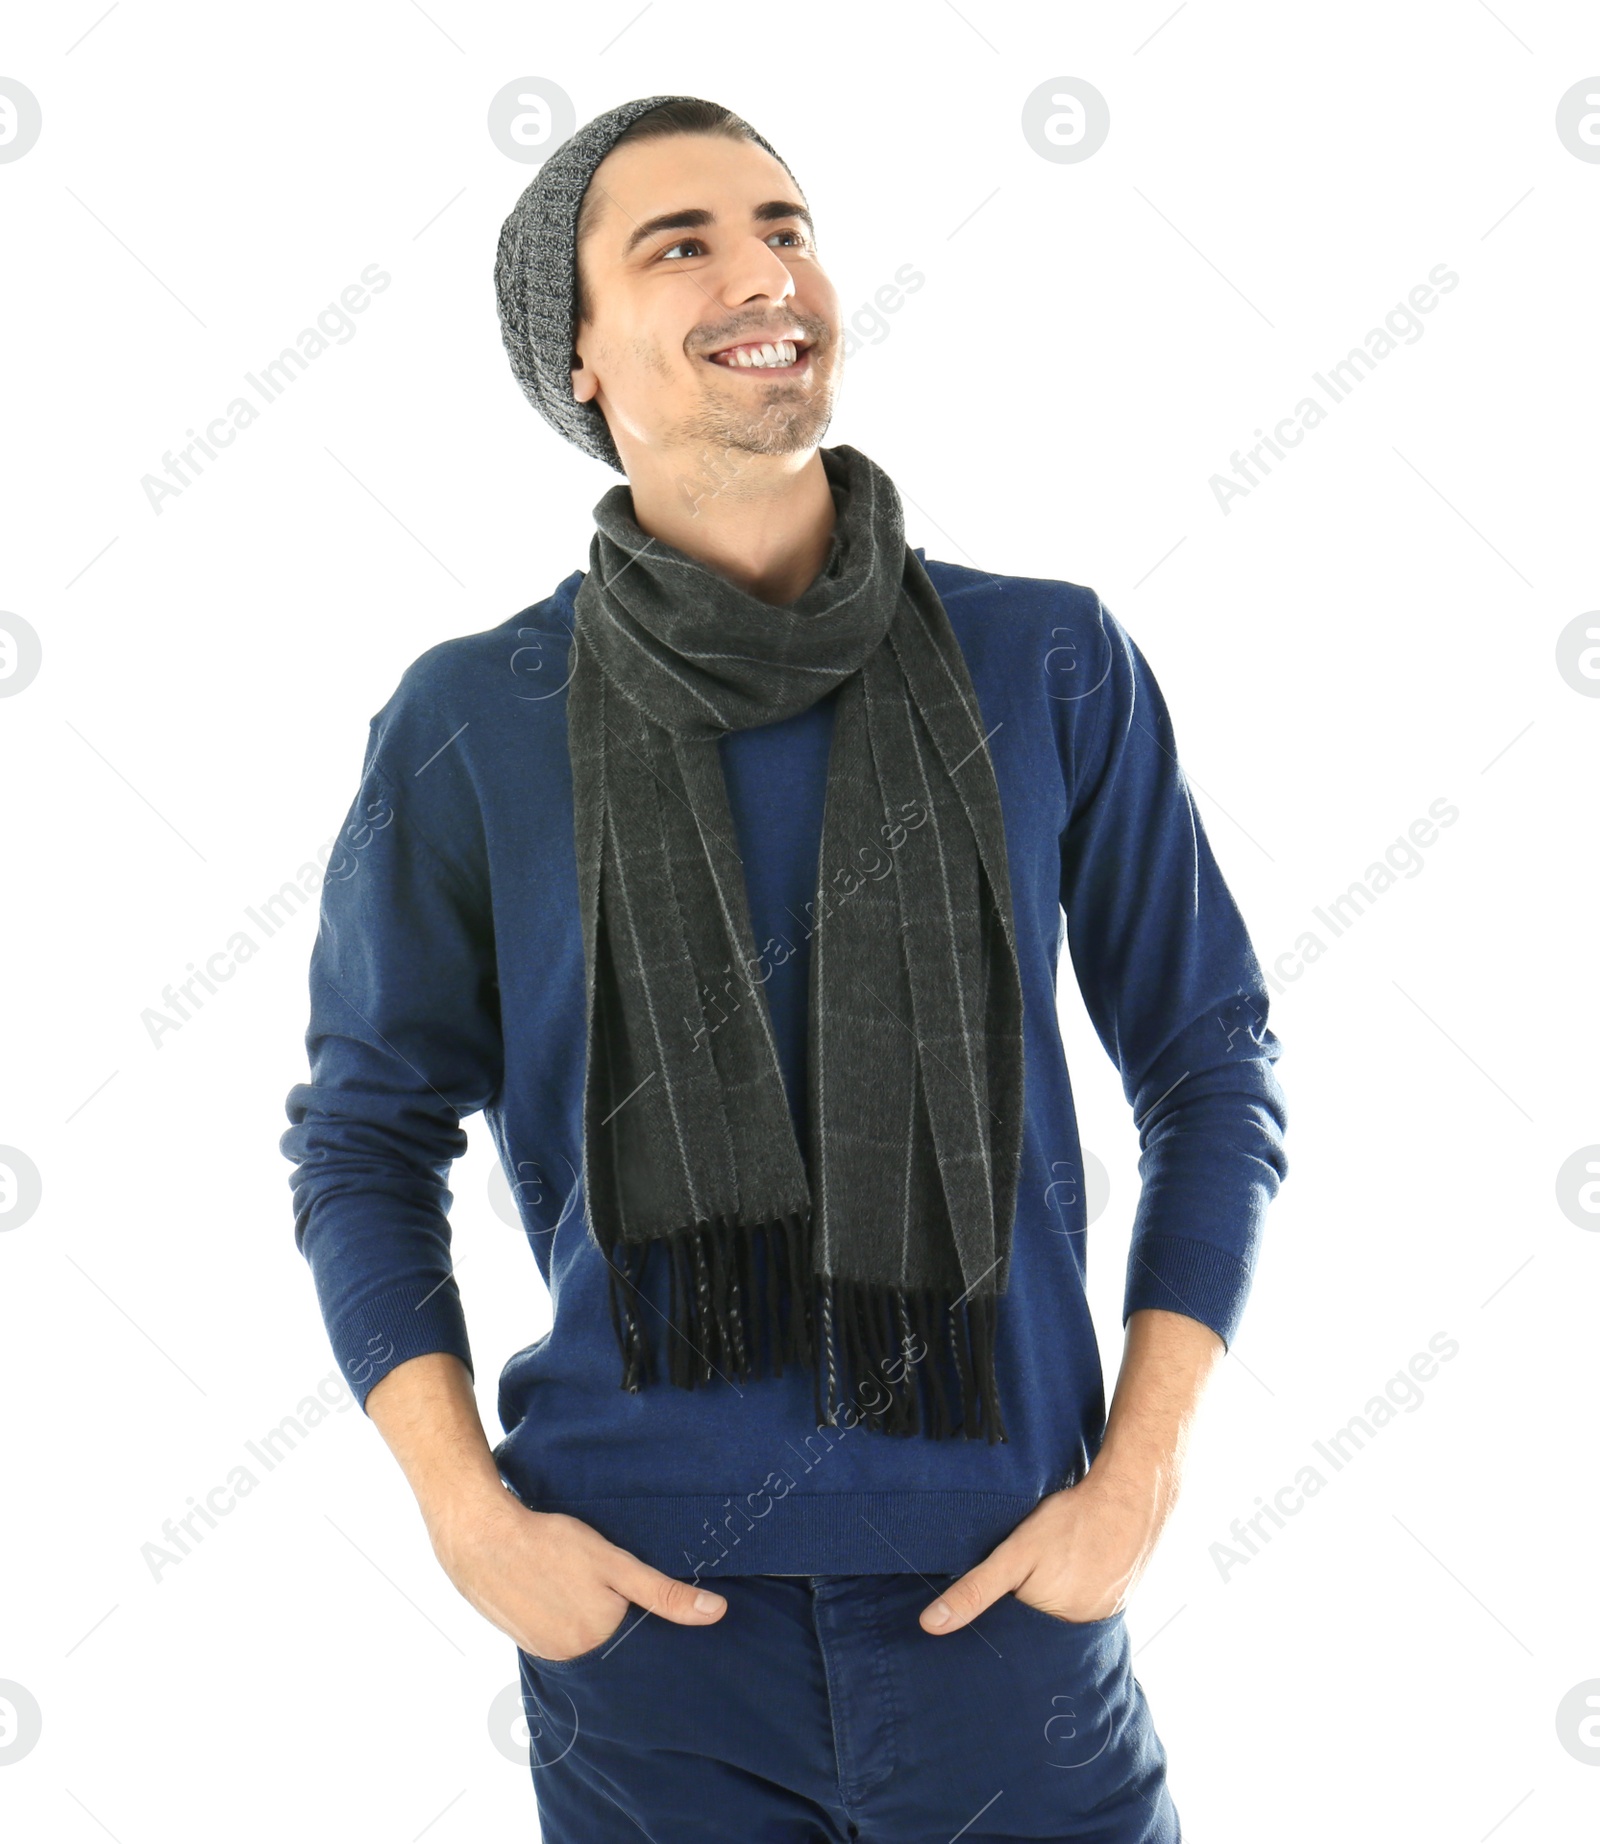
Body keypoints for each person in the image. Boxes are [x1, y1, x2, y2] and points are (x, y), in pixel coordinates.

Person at [280, 92, 1289, 1843]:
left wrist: (1140, 1475)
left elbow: (1211, 1062)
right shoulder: (472, 722)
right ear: (578, 356)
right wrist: (470, 1521)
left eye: (786, 224)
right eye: (681, 245)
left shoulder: (1042, 658)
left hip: (1006, 1598)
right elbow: (363, 1139)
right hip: (645, 1627)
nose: (765, 272)